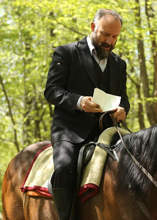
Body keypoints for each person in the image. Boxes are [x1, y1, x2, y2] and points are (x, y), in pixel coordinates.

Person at [44, 9, 130, 220]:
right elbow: (51, 91)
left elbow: (123, 99)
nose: (110, 41)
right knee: (64, 168)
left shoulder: (119, 64)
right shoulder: (66, 53)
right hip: (69, 130)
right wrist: (79, 102)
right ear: (93, 27)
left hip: (108, 132)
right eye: (105, 34)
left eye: (115, 37)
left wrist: (123, 110)